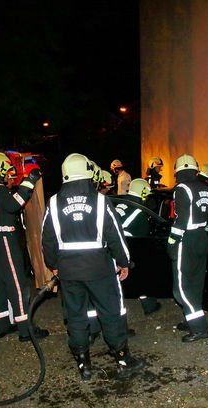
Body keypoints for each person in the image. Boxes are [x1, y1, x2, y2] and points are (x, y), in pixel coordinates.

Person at [42, 153, 144, 380]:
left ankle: (83, 365)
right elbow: (115, 235)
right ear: (88, 172)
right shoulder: (100, 200)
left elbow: (47, 238)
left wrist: (53, 265)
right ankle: (123, 360)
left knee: (75, 316)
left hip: (69, 270)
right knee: (111, 313)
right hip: (100, 268)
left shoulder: (54, 202)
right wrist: (124, 262)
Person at [0, 152, 49, 342]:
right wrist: (29, 181)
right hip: (4, 240)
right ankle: (26, 330)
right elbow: (14, 205)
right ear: (0, 169)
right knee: (17, 284)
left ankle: (1, 326)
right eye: (7, 171)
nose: (9, 175)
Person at [167, 154, 208, 342]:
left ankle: (200, 328)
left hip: (186, 240)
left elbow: (181, 220)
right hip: (202, 238)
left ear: (178, 171)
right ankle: (191, 319)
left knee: (181, 288)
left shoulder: (181, 189)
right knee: (196, 284)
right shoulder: (207, 189)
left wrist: (172, 242)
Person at [115, 178, 162, 315]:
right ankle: (150, 306)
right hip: (124, 249)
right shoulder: (139, 212)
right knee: (145, 272)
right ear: (143, 193)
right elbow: (143, 238)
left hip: (111, 247)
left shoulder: (121, 203)